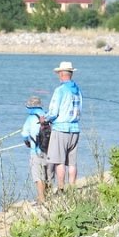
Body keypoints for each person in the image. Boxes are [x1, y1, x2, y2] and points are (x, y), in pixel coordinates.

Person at [45, 61, 82, 190]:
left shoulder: (59, 90)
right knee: (72, 163)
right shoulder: (77, 90)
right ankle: (72, 188)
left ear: (61, 74)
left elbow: (53, 112)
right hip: (75, 129)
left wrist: (45, 118)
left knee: (59, 161)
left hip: (61, 129)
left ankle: (61, 189)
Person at [20, 96, 52, 203]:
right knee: (47, 175)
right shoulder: (47, 116)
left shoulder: (30, 118)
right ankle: (47, 196)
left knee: (38, 176)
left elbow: (24, 134)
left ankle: (42, 199)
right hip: (50, 150)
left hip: (36, 151)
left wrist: (27, 142)